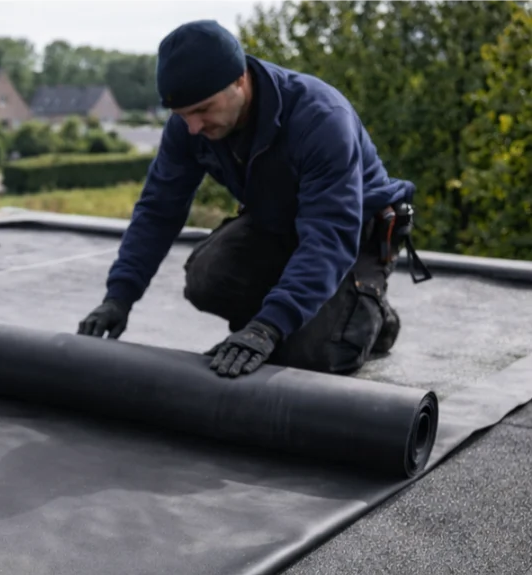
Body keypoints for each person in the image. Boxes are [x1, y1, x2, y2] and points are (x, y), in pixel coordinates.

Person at [78, 20, 429, 378]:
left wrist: (268, 328)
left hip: (354, 235)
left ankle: (373, 315)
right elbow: (157, 209)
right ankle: (294, 316)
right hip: (278, 223)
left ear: (240, 80)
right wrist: (119, 297)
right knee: (207, 278)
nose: (194, 127)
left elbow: (329, 236)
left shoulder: (320, 119)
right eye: (182, 116)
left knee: (318, 355)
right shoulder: (188, 126)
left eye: (203, 110)